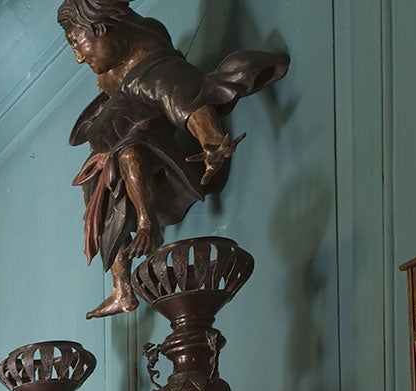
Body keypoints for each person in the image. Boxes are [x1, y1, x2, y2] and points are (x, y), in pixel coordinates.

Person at [61, 0, 286, 316]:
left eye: (77, 43)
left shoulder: (152, 69)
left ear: (100, 28)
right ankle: (122, 289)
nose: (79, 56)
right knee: (105, 222)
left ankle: (146, 224)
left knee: (129, 155)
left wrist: (211, 141)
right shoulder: (113, 68)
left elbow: (186, 101)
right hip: (104, 162)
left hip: (136, 156)